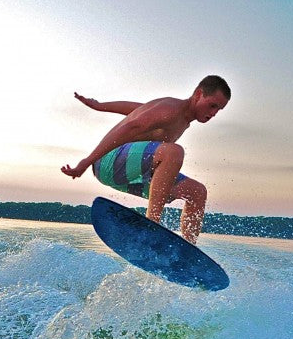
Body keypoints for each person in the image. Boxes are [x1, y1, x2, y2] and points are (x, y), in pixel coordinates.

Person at [61, 75, 231, 244]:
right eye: (212, 105)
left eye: (218, 109)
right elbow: (131, 125)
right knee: (173, 152)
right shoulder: (171, 109)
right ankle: (151, 225)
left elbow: (137, 110)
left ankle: (188, 248)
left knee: (197, 192)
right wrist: (87, 161)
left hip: (131, 175)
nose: (213, 113)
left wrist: (99, 106)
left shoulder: (180, 118)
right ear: (199, 94)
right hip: (107, 163)